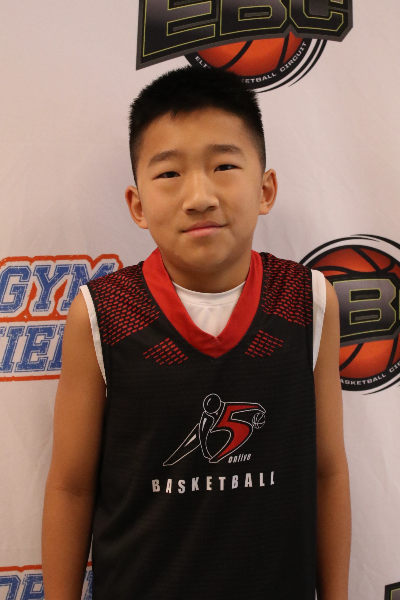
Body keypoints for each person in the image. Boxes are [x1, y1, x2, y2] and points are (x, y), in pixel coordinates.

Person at [42, 66, 351, 600]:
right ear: (137, 205)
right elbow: (71, 487)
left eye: (224, 165)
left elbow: (328, 472)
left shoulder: (309, 299)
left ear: (265, 189)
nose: (199, 196)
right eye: (169, 173)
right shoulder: (102, 313)